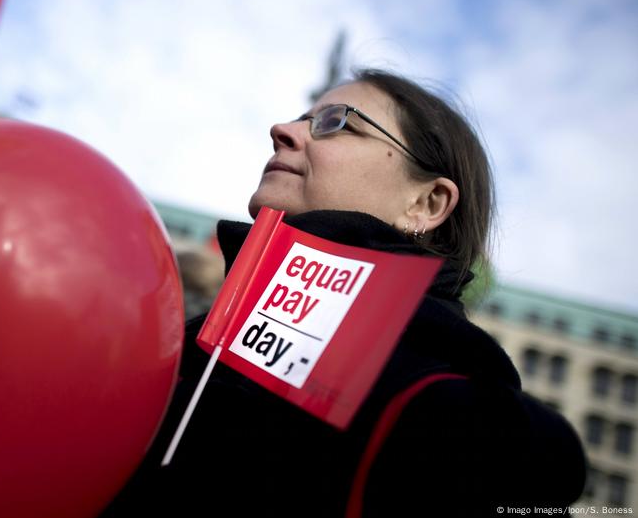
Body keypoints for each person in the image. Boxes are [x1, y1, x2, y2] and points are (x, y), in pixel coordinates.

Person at [101, 69, 586, 517]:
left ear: (426, 202)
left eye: (336, 123)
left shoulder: (445, 412)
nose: (282, 130)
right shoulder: (186, 343)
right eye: (301, 118)